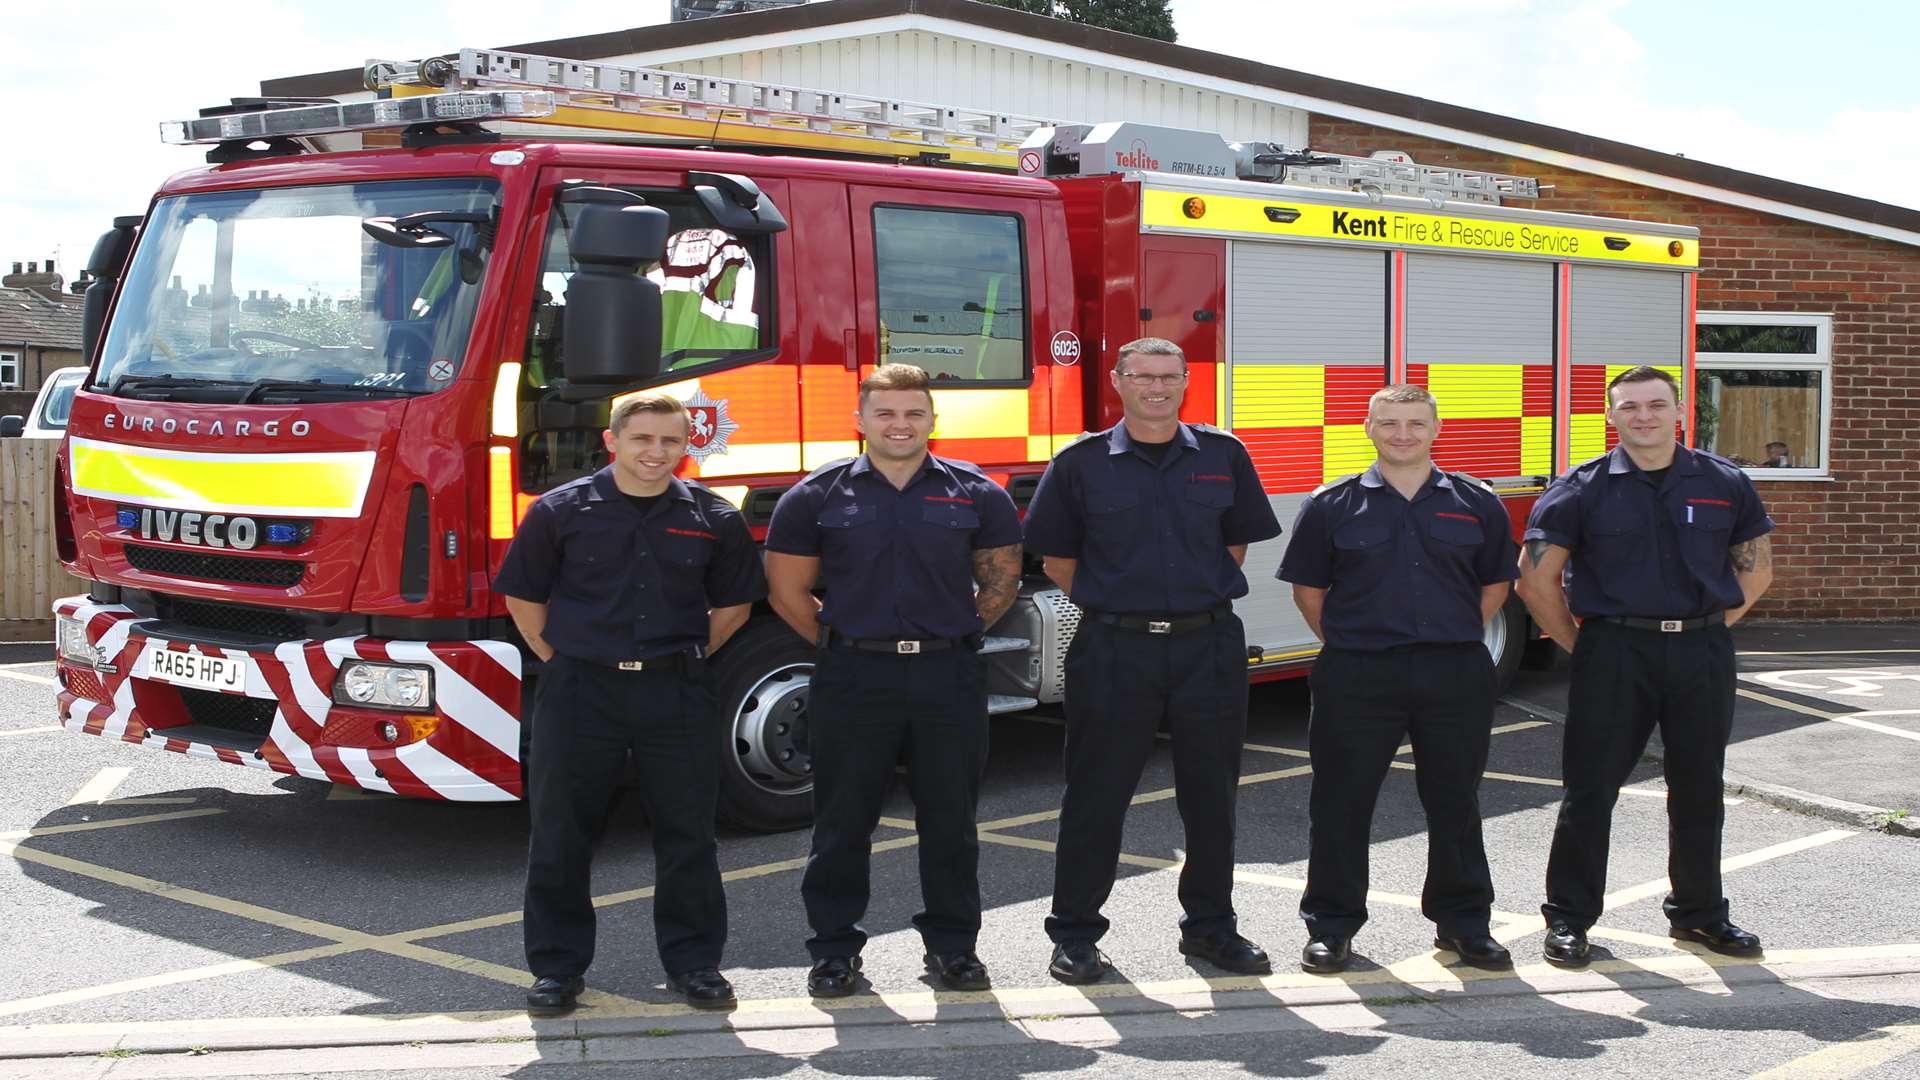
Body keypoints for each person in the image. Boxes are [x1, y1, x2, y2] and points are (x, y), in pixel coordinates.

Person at [1022, 336, 1283, 984]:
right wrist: (1123, 607)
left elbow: (1235, 546)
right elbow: (1057, 560)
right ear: (1118, 381)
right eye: (1143, 376)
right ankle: (1075, 937)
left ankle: (1211, 931)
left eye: (1169, 376)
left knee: (1211, 797)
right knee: (1096, 795)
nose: (1157, 388)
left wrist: (1183, 601)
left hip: (1208, 645)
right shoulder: (1080, 462)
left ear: (1185, 381)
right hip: (1115, 648)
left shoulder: (1225, 455)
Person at [497, 393, 766, 1015]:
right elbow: (524, 597)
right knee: (562, 833)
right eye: (643, 439)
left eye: (671, 440)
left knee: (688, 835)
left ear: (687, 445)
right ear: (612, 442)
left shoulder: (713, 517)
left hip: (674, 689)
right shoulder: (559, 511)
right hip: (581, 689)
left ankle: (695, 965)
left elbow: (732, 606)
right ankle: (557, 971)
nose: (657, 452)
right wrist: (558, 657)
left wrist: (689, 656)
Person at [764, 363, 1023, 997]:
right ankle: (834, 952)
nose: (899, 424)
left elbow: (1001, 584)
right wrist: (846, 641)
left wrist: (952, 634)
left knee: (950, 821)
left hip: (947, 675)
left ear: (933, 420)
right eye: (885, 413)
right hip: (855, 676)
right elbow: (786, 591)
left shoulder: (975, 492)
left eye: (913, 413)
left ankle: (954, 949)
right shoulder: (816, 496)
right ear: (860, 421)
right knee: (842, 823)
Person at [1516, 365, 1775, 967]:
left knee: (1698, 789)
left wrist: (1705, 632)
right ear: (1610, 416)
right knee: (1590, 791)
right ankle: (1569, 920)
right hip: (1614, 650)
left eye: (1655, 405)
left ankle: (1701, 916)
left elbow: (1755, 570)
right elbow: (1535, 580)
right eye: (1628, 407)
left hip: (1701, 650)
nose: (1643, 416)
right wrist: (1583, 644)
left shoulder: (1724, 482)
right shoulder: (1581, 487)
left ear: (1679, 410)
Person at [1277, 384, 1518, 974]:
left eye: (1415, 422)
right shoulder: (1332, 504)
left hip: (1453, 671)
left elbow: (1495, 583)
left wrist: (1456, 631)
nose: (1402, 433)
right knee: (1341, 802)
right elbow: (1309, 590)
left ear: (1436, 429)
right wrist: (1352, 643)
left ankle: (1463, 924)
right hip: (1358, 672)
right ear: (1369, 428)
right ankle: (1331, 927)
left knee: (1455, 801)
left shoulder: (1476, 502)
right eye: (1389, 422)